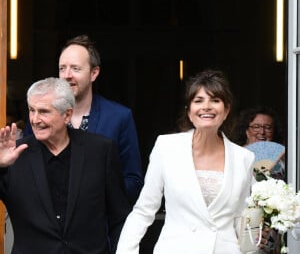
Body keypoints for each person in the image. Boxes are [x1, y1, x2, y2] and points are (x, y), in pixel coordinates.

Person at [116, 69, 256, 254]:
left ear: (226, 110)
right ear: (189, 112)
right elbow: (144, 210)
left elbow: (242, 219)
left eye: (215, 100)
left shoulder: (244, 158)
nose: (207, 106)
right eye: (198, 100)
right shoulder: (166, 147)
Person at [0, 77, 130, 253]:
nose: (35, 119)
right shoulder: (15, 156)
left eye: (44, 111)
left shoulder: (101, 152)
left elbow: (119, 218)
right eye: (32, 110)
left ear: (67, 115)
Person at [24, 35, 143, 205]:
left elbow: (133, 182)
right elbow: (28, 173)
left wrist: (94, 193)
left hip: (99, 226)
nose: (67, 75)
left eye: (75, 69)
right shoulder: (40, 117)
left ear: (94, 73)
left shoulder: (119, 117)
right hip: (51, 224)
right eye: (62, 68)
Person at [232, 106, 286, 253]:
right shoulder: (235, 158)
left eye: (267, 127)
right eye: (256, 126)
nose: (261, 132)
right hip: (244, 223)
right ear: (246, 130)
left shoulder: (282, 161)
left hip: (273, 225)